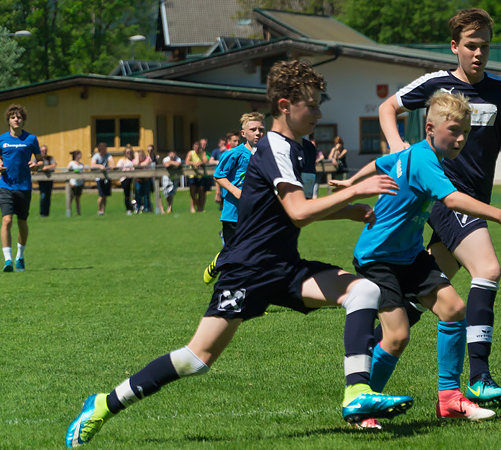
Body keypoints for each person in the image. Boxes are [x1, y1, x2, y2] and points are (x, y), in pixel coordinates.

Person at [65, 60, 414, 449]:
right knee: (196, 360)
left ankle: (356, 394)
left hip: (284, 267)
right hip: (246, 270)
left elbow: (300, 204)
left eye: (319, 104)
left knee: (364, 291)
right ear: (285, 105)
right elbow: (299, 213)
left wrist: (348, 212)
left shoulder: (305, 148)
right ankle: (102, 404)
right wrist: (352, 193)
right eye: (311, 106)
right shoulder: (274, 147)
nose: (318, 113)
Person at [335, 92, 501, 428]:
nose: (460, 139)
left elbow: (382, 162)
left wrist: (353, 179)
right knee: (397, 337)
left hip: (409, 255)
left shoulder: (413, 152)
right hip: (378, 258)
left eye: (466, 133)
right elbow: (453, 200)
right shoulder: (426, 161)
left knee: (453, 309)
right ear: (430, 127)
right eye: (454, 130)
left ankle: (449, 399)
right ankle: (362, 406)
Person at [376, 8, 501, 403]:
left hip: (475, 200)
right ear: (455, 47)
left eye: (484, 46)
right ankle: (479, 375)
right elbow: (387, 108)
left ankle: (369, 354)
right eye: (471, 46)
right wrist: (397, 147)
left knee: (425, 293)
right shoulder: (437, 85)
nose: (478, 53)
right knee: (488, 269)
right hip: (448, 196)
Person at [203, 113, 266, 284]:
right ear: (243, 133)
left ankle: (250, 298)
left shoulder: (266, 154)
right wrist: (237, 191)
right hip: (234, 214)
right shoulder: (234, 154)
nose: (258, 133)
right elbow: (218, 175)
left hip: (256, 213)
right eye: (253, 129)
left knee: (255, 256)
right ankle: (219, 263)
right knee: (236, 257)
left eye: (261, 129)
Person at [0, 104, 43, 271]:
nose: (16, 119)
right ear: (8, 121)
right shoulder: (2, 139)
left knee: (22, 222)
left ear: (23, 120)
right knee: (7, 220)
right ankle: (8, 260)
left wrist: (36, 165)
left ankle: (20, 256)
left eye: (18, 117)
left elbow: (40, 160)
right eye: (13, 117)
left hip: (24, 186)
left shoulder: (31, 139)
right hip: (5, 185)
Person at [90, 143, 114, 216]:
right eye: (104, 149)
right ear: (100, 149)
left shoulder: (108, 155)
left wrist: (110, 166)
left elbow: (112, 163)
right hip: (99, 178)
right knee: (101, 194)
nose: (105, 150)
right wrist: (100, 166)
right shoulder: (96, 156)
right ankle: (99, 210)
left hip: (107, 177)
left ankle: (103, 211)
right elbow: (92, 165)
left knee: (105, 195)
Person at [185, 142, 207, 212]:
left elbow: (205, 161)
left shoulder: (203, 153)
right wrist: (194, 163)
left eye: (198, 148)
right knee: (193, 192)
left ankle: (200, 207)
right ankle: (197, 206)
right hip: (192, 175)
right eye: (195, 148)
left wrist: (200, 163)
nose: (197, 149)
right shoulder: (190, 153)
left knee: (201, 191)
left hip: (201, 175)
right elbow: (187, 161)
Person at [37, 145, 56, 217]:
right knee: (43, 196)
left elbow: (54, 165)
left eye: (45, 151)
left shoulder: (50, 158)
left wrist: (46, 167)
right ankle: (42, 213)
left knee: (48, 196)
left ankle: (46, 213)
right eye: (42, 151)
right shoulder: (37, 158)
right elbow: (33, 165)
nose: (44, 152)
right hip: (41, 180)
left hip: (49, 179)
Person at [116, 146, 136, 215]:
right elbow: (118, 168)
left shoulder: (134, 160)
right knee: (127, 194)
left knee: (134, 193)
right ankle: (128, 208)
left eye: (130, 152)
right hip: (125, 178)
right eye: (127, 153)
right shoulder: (122, 160)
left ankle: (135, 207)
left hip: (133, 178)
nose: (129, 154)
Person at [134, 148, 155, 213]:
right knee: (138, 194)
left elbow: (144, 164)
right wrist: (137, 157)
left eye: (142, 155)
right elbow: (136, 164)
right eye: (139, 156)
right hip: (138, 180)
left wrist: (139, 164)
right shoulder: (135, 160)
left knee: (146, 195)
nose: (141, 157)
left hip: (146, 179)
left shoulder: (147, 159)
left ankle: (147, 208)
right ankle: (138, 208)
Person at [67, 151, 84, 217]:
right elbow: (67, 171)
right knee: (71, 198)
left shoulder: (81, 164)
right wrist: (69, 181)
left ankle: (78, 213)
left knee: (78, 198)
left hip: (80, 183)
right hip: (73, 183)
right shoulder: (71, 163)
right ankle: (69, 212)